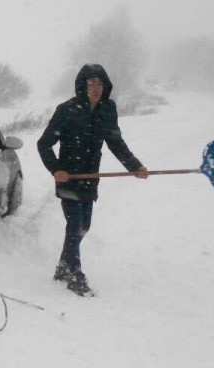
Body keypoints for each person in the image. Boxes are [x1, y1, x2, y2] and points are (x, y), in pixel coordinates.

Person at [37, 63, 148, 296]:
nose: (96, 88)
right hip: (69, 177)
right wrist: (56, 169)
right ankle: (74, 275)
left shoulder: (108, 109)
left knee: (84, 226)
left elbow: (116, 142)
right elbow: (44, 144)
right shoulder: (67, 109)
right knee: (75, 225)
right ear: (82, 85)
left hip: (91, 177)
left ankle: (62, 267)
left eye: (100, 83)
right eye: (91, 83)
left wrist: (135, 166)